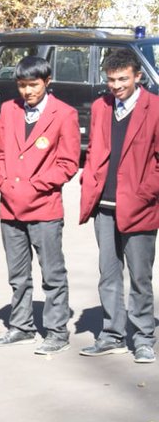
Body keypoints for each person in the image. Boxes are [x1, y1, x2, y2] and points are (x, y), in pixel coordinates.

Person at [0, 56, 79, 355]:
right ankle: (21, 326)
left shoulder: (64, 114)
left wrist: (34, 187)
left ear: (47, 82)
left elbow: (68, 163)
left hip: (44, 208)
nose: (27, 92)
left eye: (33, 85)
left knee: (52, 274)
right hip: (10, 207)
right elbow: (0, 152)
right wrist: (3, 183)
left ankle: (56, 331)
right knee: (18, 275)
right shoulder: (8, 110)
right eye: (22, 86)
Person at [78, 48, 159, 364]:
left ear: (138, 77)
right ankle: (111, 334)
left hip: (140, 207)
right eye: (111, 80)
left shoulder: (155, 108)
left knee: (140, 278)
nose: (116, 86)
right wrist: (90, 185)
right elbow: (95, 151)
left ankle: (143, 338)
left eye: (123, 79)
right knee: (108, 274)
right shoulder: (101, 106)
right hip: (105, 207)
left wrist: (145, 192)